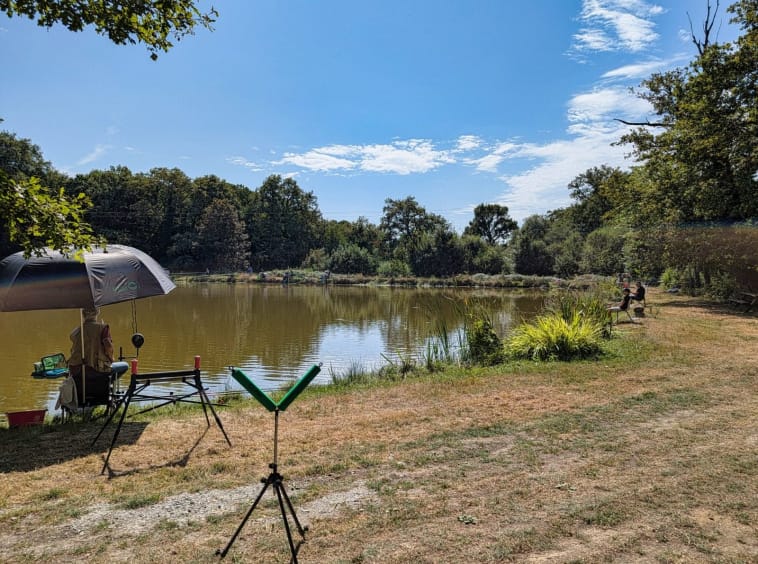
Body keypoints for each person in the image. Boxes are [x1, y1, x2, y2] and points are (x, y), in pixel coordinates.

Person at [67, 306, 114, 406]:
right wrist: (112, 359)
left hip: (77, 370)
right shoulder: (103, 328)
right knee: (122, 366)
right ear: (97, 313)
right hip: (98, 370)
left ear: (83, 315)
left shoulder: (77, 331)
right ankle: (108, 396)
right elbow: (108, 346)